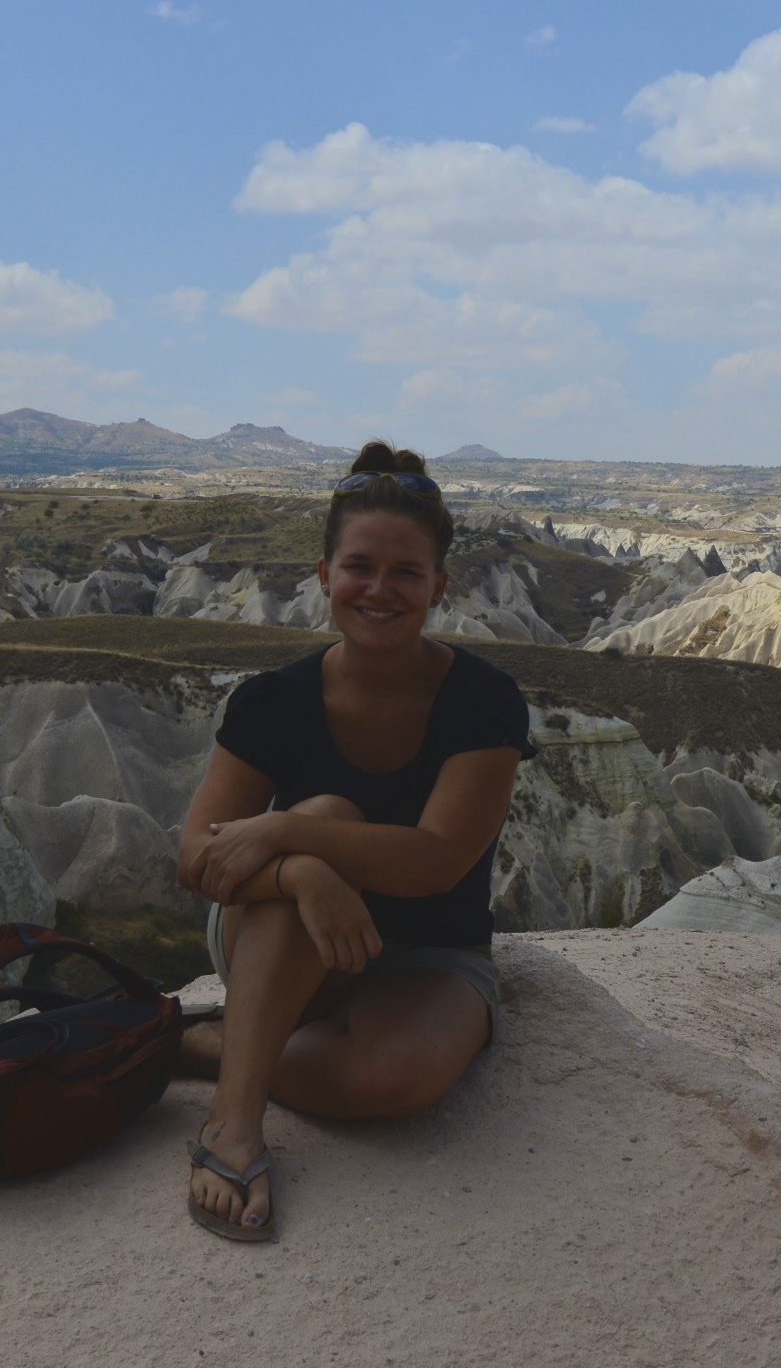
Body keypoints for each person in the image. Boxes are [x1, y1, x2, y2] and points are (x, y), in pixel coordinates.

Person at [173, 443, 535, 1241]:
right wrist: (302, 873)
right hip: (282, 934)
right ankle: (232, 1124)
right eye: (360, 567)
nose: (379, 590)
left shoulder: (484, 703)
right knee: (331, 814)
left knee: (396, 1080)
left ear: (438, 587)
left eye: (406, 573)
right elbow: (197, 857)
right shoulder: (274, 702)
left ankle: (219, 1046)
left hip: (429, 950)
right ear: (324, 574)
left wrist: (283, 831)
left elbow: (438, 861)